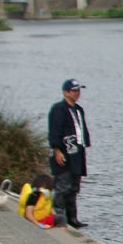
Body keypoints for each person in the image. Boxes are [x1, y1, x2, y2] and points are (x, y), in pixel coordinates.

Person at [46, 78, 91, 228]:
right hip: (64, 153)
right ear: (66, 92)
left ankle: (72, 218)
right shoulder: (59, 109)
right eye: (74, 91)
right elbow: (54, 130)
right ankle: (58, 217)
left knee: (74, 187)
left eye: (78, 90)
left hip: (77, 154)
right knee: (62, 186)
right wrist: (57, 150)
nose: (77, 93)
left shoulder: (78, 109)